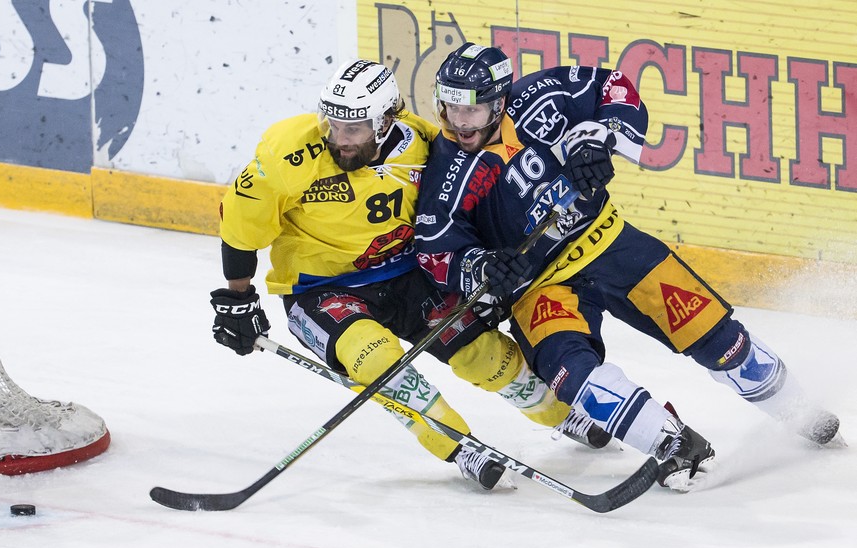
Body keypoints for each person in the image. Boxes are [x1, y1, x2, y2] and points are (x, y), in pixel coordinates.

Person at [414, 43, 842, 491]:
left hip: (608, 240)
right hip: (540, 288)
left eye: (474, 109)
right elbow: (436, 247)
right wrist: (481, 266)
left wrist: (594, 141)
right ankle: (670, 442)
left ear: (500, 100)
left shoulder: (541, 95)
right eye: (450, 108)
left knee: (715, 336)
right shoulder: (446, 171)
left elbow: (617, 89)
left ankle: (797, 408)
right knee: (571, 373)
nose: (460, 122)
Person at [208, 59, 607, 491]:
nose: (339, 139)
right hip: (319, 290)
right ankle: (459, 445)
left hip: (409, 274)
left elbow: (463, 209)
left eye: (354, 128)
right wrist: (237, 299)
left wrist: (483, 263)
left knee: (485, 354)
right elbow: (242, 223)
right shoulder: (288, 151)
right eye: (333, 124)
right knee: (376, 359)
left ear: (384, 123)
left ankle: (562, 414)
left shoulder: (425, 145)